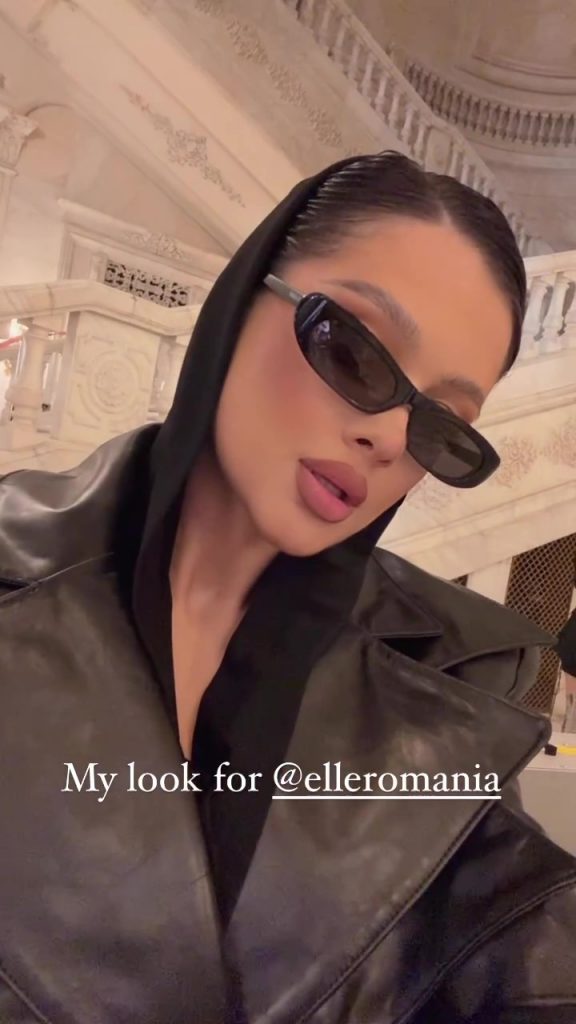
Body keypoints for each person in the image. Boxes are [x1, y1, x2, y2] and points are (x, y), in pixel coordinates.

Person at [0, 151, 575, 1023]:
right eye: (353, 351)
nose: (390, 439)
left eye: (441, 425)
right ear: (239, 303)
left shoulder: (457, 684)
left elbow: (515, 955)